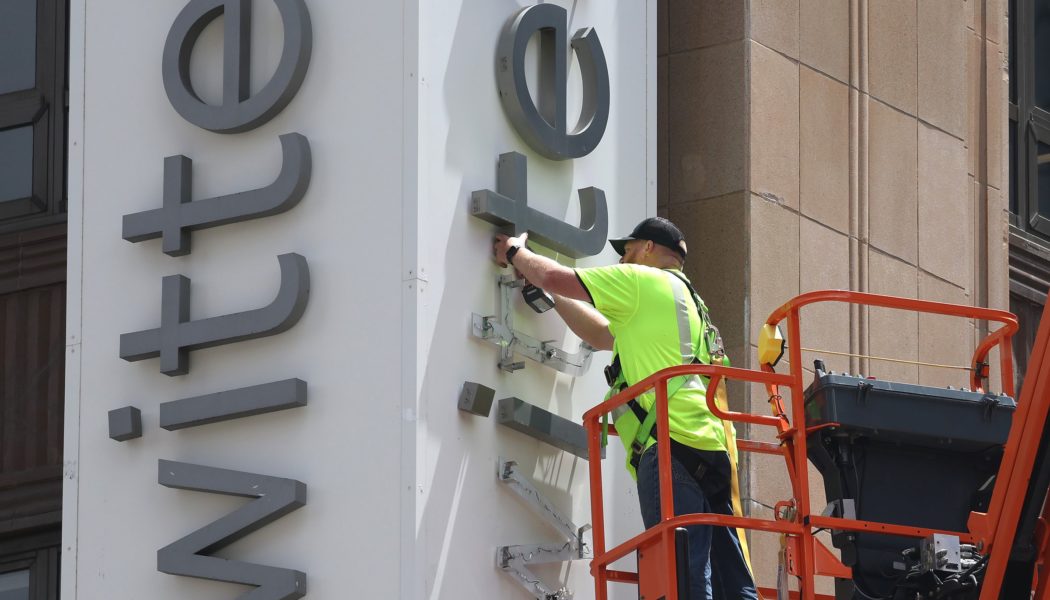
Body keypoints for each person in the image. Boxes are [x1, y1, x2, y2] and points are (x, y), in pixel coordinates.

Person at [493, 217, 757, 600]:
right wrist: (551, 293)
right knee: (731, 582)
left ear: (648, 248)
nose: (622, 260)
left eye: (628, 250)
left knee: (682, 579)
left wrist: (516, 252)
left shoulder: (639, 282)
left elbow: (556, 277)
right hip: (711, 448)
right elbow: (601, 334)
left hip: (670, 446)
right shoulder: (686, 303)